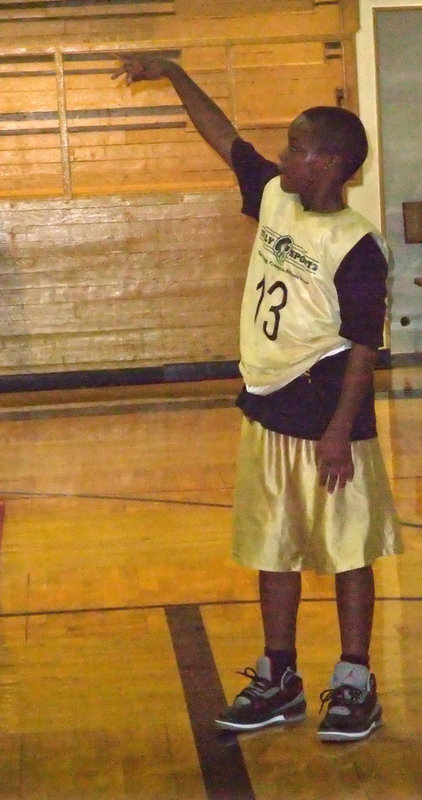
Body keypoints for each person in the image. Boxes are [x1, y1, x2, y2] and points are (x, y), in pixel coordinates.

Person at [112, 53, 402, 743]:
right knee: (274, 549)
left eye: (297, 149)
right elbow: (225, 137)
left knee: (346, 547)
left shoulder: (357, 246)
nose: (282, 155)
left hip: (331, 415)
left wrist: (338, 431)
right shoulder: (275, 194)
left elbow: (364, 346)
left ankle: (355, 680)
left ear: (331, 164)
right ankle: (279, 678)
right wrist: (176, 72)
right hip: (268, 405)